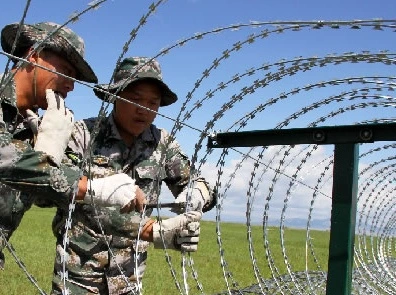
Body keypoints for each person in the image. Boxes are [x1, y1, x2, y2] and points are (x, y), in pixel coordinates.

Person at [51, 57, 216, 294]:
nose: (144, 110)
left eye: (153, 102)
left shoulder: (163, 143)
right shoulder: (84, 134)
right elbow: (54, 184)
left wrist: (197, 192)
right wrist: (154, 231)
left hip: (128, 277)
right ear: (116, 96)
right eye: (135, 99)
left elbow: (196, 183)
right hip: (78, 273)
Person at [0, 22, 143, 270]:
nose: (71, 86)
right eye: (66, 72)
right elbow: (5, 156)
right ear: (34, 56)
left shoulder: (35, 127)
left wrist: (119, 184)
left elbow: (70, 176)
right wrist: (96, 187)